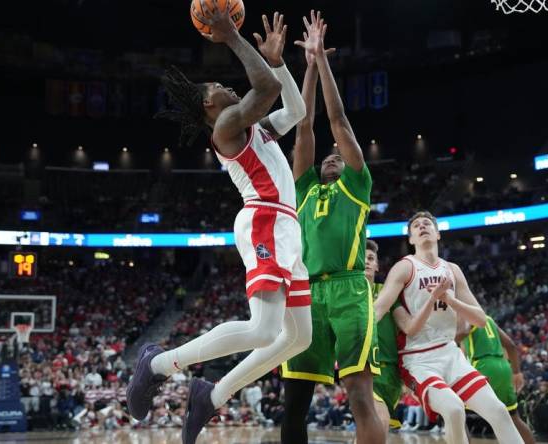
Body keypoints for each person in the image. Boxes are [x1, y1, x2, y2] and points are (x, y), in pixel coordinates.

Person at [126, 8, 312, 444]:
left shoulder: (255, 128)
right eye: (218, 87)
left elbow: (297, 110)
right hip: (264, 217)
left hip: (287, 227)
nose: (228, 86)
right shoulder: (226, 128)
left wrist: (280, 62)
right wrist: (230, 37)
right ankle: (156, 364)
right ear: (209, 106)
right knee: (265, 329)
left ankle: (212, 394)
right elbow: (263, 88)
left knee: (299, 337)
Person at [280, 11, 383, 444]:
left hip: (348, 290)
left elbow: (336, 121)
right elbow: (304, 125)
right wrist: (304, 69)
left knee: (359, 394)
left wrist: (322, 61)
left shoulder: (357, 186)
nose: (331, 156)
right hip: (306, 292)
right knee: (295, 401)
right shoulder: (303, 189)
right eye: (328, 156)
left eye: (337, 156)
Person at [374, 211, 524, 444]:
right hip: (417, 359)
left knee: (499, 411)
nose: (422, 226)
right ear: (411, 239)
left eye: (427, 223)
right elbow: (379, 309)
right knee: (454, 410)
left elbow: (481, 320)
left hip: (450, 353)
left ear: (438, 233)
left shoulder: (452, 270)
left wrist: (451, 299)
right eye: (416, 226)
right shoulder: (404, 268)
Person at [456, 315, 536, 444]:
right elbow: (511, 345)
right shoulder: (489, 320)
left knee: (458, 413)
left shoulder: (466, 317)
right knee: (514, 418)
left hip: (482, 365)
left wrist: (447, 339)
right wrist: (517, 372)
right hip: (503, 367)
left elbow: (463, 332)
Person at [365, 239, 403, 430]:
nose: (366, 262)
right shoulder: (347, 293)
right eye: (361, 258)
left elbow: (407, 325)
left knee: (371, 431)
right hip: (365, 368)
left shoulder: (387, 293)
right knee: (379, 421)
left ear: (377, 265)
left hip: (393, 372)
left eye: (371, 258)